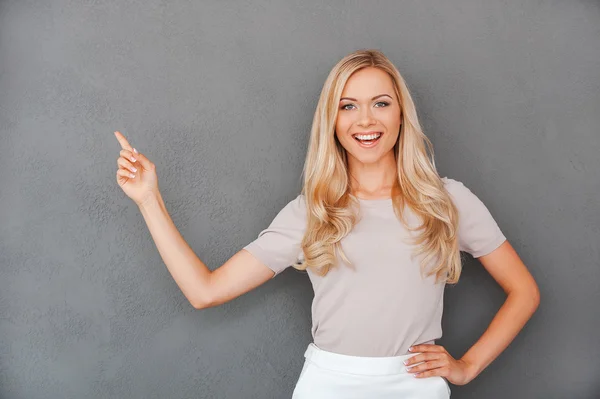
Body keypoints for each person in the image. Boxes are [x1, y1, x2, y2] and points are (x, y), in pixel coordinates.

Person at [113, 49, 540, 398]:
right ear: (332, 123)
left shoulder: (447, 201)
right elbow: (204, 291)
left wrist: (466, 367)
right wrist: (149, 199)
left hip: (416, 385)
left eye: (381, 103)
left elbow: (524, 291)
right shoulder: (311, 212)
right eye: (348, 106)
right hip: (329, 385)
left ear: (400, 115)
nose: (366, 120)